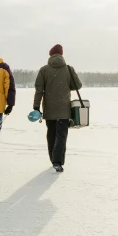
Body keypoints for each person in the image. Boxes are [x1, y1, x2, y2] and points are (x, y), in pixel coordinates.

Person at [33, 44, 82, 173]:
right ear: (62, 54)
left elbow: (39, 90)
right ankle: (57, 161)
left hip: (49, 110)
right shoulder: (69, 69)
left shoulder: (44, 70)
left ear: (50, 55)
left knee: (51, 134)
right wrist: (65, 85)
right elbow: (78, 85)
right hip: (64, 110)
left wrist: (36, 107)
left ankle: (53, 159)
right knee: (61, 135)